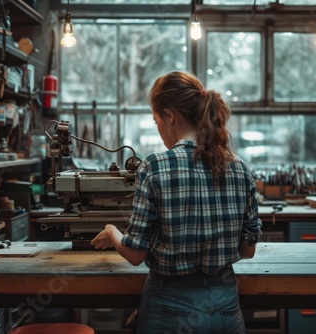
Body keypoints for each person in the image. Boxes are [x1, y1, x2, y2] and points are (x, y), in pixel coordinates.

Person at [91, 70, 262, 334]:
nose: (159, 129)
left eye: (157, 120)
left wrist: (113, 231)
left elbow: (135, 255)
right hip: (226, 307)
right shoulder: (240, 168)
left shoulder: (155, 166)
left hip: (170, 310)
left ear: (169, 116)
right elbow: (248, 251)